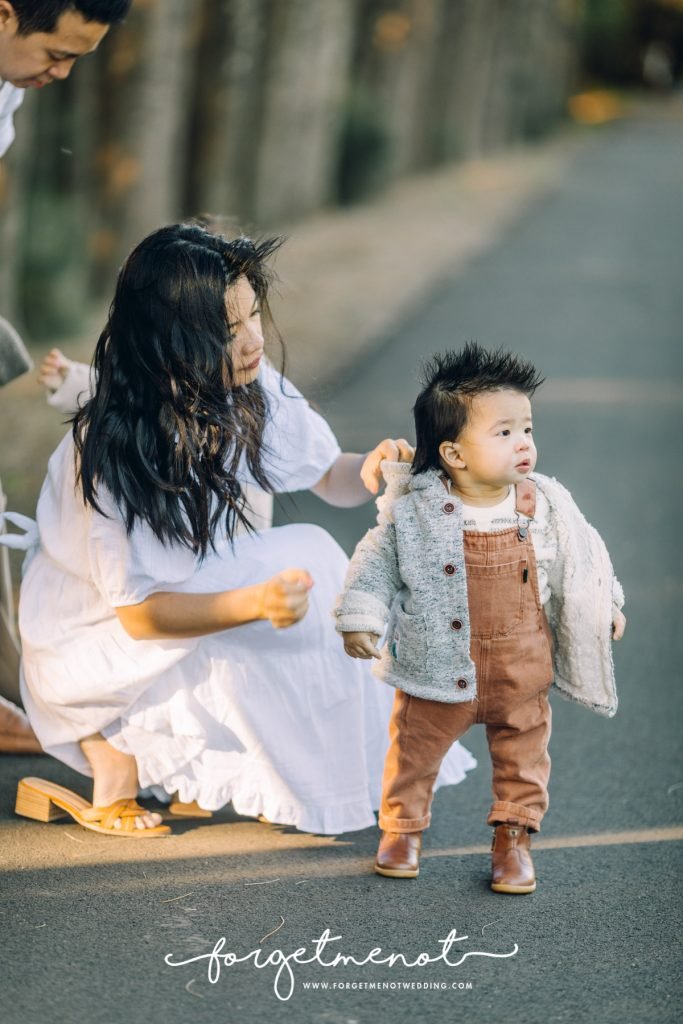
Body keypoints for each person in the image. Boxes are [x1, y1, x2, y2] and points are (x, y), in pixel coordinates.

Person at [12, 222, 475, 838]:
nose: (254, 339)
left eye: (254, 314)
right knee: (301, 561)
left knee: (316, 567)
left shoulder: (247, 388)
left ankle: (344, 773)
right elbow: (139, 616)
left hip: (188, 594)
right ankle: (110, 750)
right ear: (170, 343)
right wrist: (252, 604)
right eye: (228, 330)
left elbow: (326, 476)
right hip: (91, 640)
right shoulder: (111, 448)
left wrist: (365, 470)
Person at [335, 344, 626, 892]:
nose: (524, 444)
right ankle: (403, 830)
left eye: (527, 429)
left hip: (521, 666)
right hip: (435, 666)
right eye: (504, 433)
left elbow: (582, 557)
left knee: (523, 757)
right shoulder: (417, 508)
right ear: (454, 453)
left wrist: (603, 604)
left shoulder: (543, 503)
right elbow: (376, 562)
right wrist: (361, 616)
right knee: (415, 751)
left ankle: (513, 838)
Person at [0, 0, 132, 749]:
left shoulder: (8, 87)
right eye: (56, 53)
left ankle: (9, 684)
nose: (61, 73)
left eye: (77, 58)